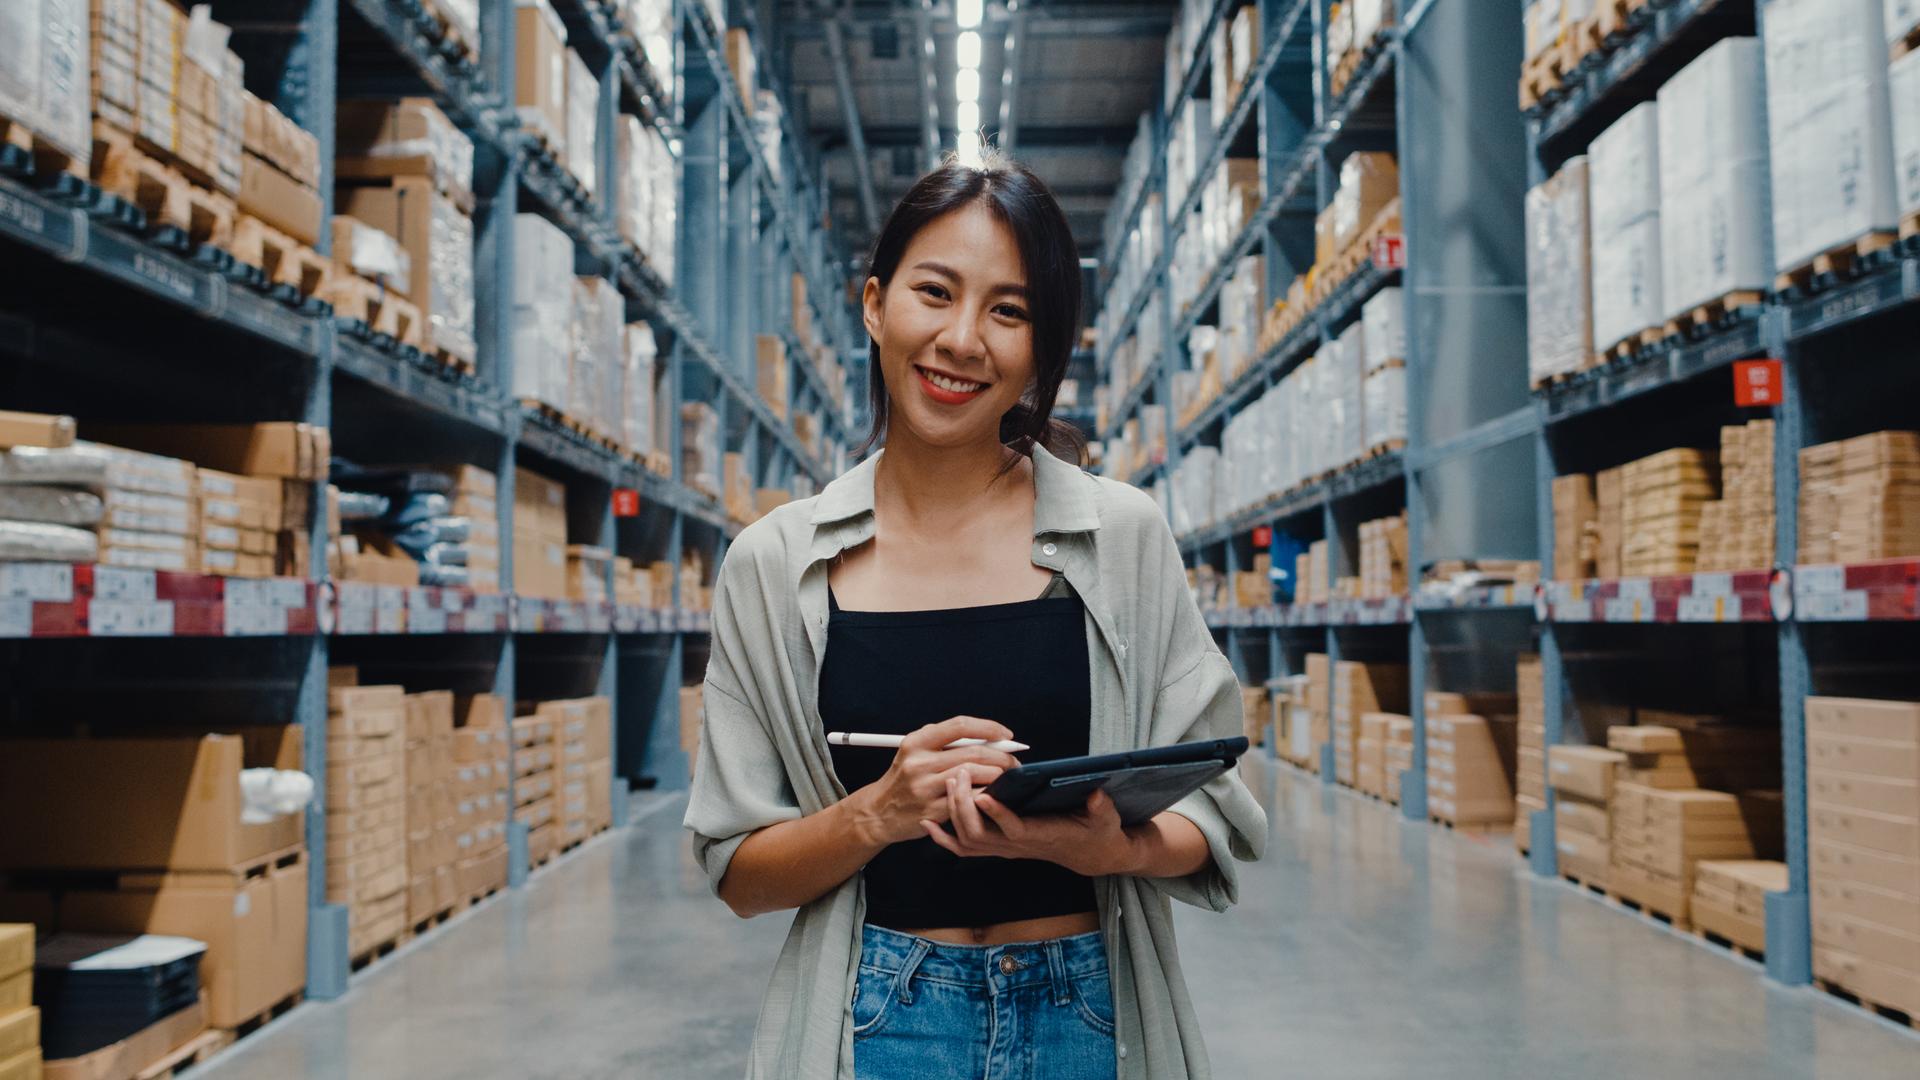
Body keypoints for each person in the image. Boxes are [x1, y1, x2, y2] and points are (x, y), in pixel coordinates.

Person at [684, 151, 1266, 1080]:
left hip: (1088, 1008)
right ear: (875, 304)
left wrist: (1113, 845)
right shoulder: (776, 565)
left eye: (1009, 310)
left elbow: (1219, 808)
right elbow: (741, 873)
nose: (962, 339)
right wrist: (879, 812)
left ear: (1042, 347)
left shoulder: (1120, 537)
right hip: (874, 1017)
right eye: (934, 292)